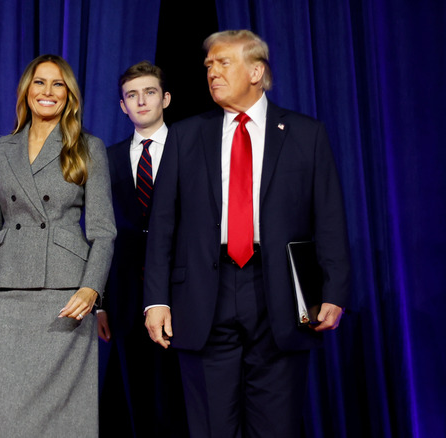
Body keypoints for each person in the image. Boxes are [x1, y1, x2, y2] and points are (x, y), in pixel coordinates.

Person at [143, 30, 351, 437]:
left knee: (276, 427)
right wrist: (156, 299)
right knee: (211, 428)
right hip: (204, 295)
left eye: (224, 63)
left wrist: (334, 291)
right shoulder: (185, 136)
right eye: (208, 66)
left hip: (279, 295)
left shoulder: (306, 135)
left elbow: (328, 218)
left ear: (256, 71)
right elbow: (163, 223)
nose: (212, 73)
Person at [0, 54, 116, 438]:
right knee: (2, 414)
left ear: (70, 95)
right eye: (39, 83)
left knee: (65, 416)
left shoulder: (87, 147)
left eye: (58, 84)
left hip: (65, 296)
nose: (48, 92)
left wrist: (91, 288)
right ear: (26, 91)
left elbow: (104, 231)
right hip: (7, 295)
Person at [96, 61, 188, 437]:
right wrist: (100, 301)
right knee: (140, 401)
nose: (141, 101)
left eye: (150, 92)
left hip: (185, 292)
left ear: (165, 98)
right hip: (127, 297)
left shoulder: (191, 148)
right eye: (132, 95)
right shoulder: (107, 157)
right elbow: (99, 231)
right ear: (122, 106)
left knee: (185, 397)